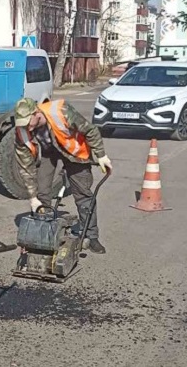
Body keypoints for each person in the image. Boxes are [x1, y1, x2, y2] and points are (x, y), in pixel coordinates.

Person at [13, 97, 113, 254]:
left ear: (36, 113)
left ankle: (91, 236)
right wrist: (32, 197)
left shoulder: (60, 111)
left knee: (83, 195)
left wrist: (101, 155)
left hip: (74, 153)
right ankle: (43, 236)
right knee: (42, 193)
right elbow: (26, 167)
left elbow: (90, 130)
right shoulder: (22, 131)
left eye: (28, 122)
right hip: (48, 153)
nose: (27, 128)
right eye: (22, 124)